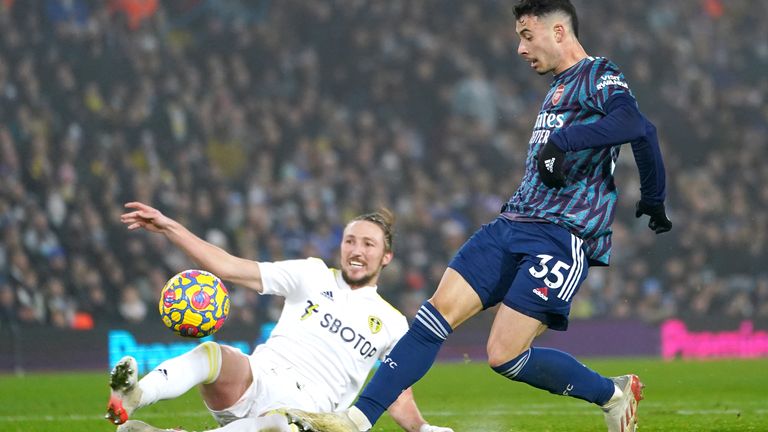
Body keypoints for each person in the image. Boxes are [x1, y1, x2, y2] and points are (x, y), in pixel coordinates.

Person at [281, 1, 672, 432]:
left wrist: (646, 192)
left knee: (504, 355)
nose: (520, 49)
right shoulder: (558, 87)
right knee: (433, 317)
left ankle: (612, 394)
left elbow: (638, 126)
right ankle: (356, 420)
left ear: (559, 31)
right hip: (511, 223)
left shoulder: (599, 74)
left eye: (527, 35)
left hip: (562, 234)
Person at [106, 201, 454, 432]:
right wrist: (169, 227)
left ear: (386, 256)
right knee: (213, 355)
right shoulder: (311, 274)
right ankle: (134, 396)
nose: (356, 250)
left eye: (368, 244)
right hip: (257, 378)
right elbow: (229, 266)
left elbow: (394, 389)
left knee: (276, 424)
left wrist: (422, 428)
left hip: (308, 413)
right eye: (350, 241)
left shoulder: (392, 322)